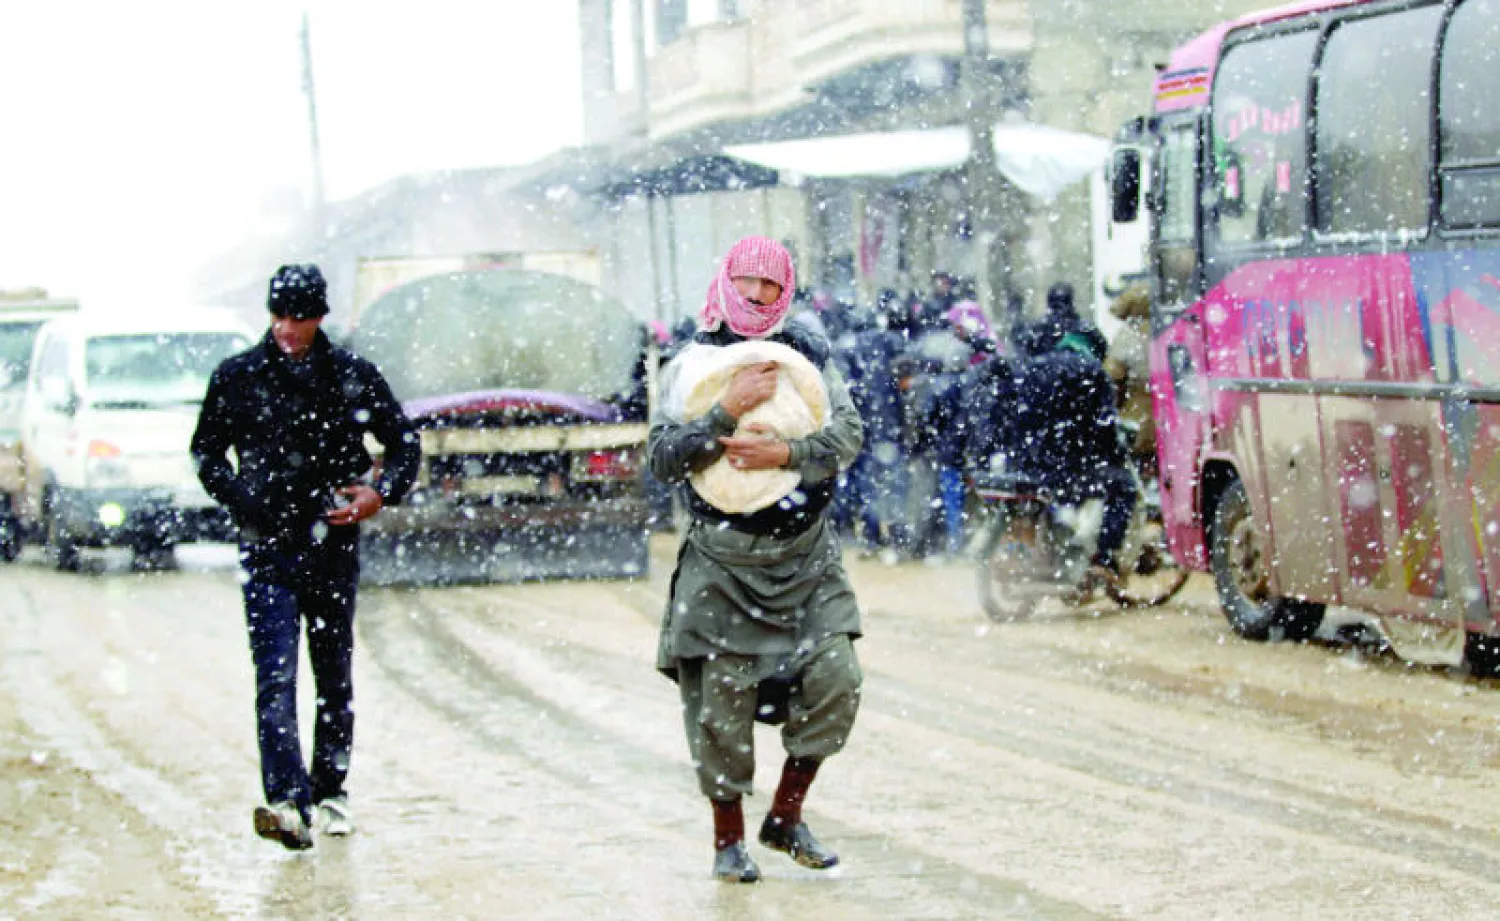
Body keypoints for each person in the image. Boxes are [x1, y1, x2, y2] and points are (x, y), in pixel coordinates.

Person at [649, 236, 865, 883]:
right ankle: (728, 843)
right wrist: (726, 408)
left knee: (837, 679)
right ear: (726, 280)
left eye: (770, 284)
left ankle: (786, 816)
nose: (756, 293)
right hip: (722, 562)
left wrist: (787, 454)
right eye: (746, 280)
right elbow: (662, 459)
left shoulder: (810, 357)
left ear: (786, 290)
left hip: (806, 559)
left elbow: (847, 436)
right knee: (723, 706)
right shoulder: (691, 362)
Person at [191, 264, 420, 850]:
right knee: (275, 675)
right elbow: (207, 454)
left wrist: (378, 493)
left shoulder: (351, 375)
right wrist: (246, 500)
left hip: (332, 545)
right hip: (266, 548)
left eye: (299, 317)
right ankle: (286, 802)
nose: (287, 329)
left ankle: (330, 789)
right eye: (279, 316)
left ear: (320, 317)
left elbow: (404, 441)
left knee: (332, 674)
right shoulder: (238, 377)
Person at [967, 330, 1136, 587]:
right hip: (1072, 469)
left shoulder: (1031, 367)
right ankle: (1104, 560)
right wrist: (1114, 454)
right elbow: (1106, 427)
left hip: (1029, 467)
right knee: (1123, 488)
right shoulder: (1093, 372)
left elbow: (1008, 416)